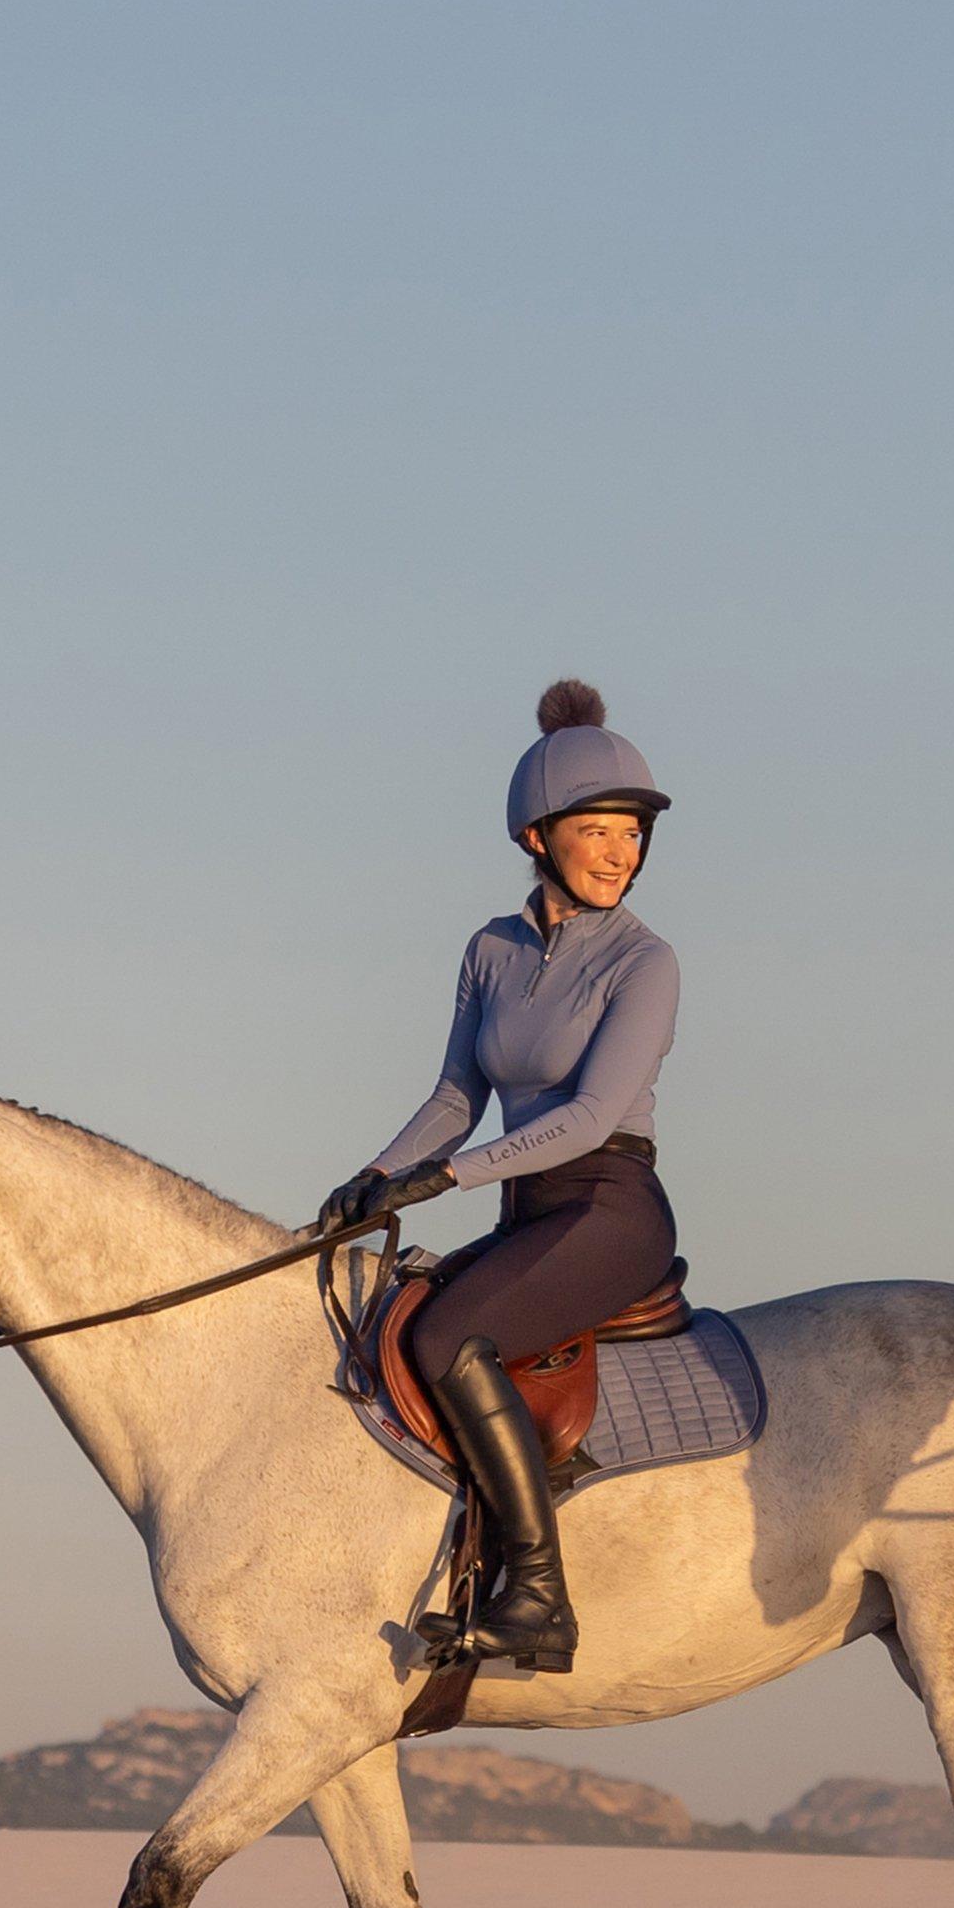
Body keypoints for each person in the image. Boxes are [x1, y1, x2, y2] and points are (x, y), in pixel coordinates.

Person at [313, 681, 682, 1672]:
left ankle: (538, 1597)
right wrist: (375, 1177)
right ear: (536, 834)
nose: (622, 852)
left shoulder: (646, 962)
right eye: (600, 831)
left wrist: (446, 1182)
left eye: (633, 833)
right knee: (384, 1313)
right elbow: (451, 1095)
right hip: (527, 1208)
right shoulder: (490, 948)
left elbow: (590, 1116)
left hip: (607, 1204)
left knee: (446, 1332)